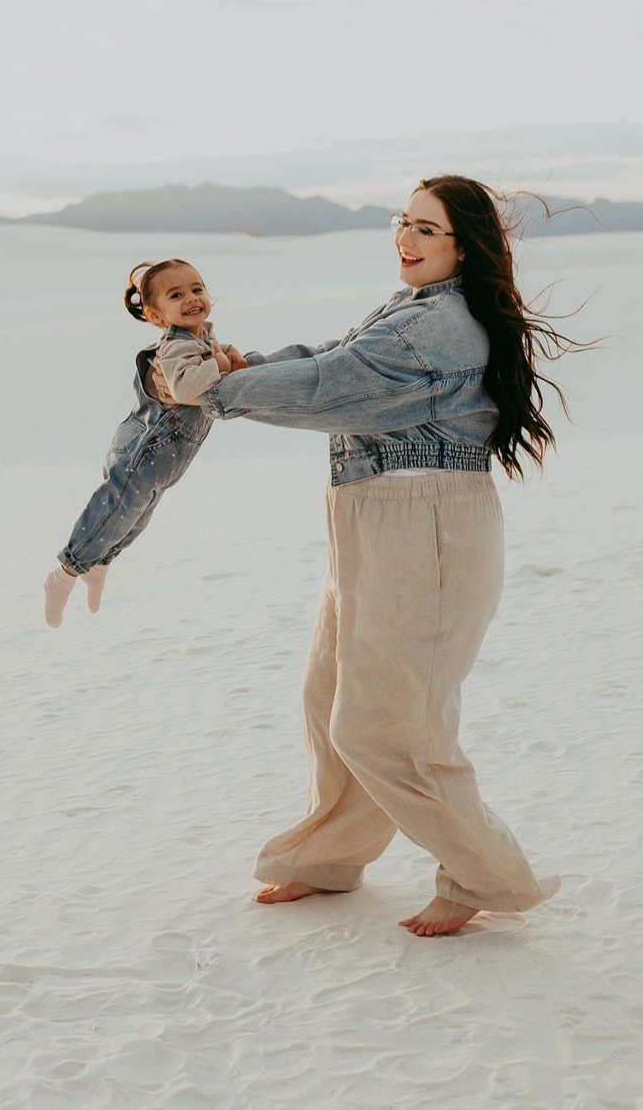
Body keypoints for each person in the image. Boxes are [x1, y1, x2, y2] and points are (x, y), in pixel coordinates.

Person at [157, 176, 578, 937]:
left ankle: (485, 874)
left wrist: (212, 387)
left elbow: (327, 384)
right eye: (402, 222)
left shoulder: (436, 328)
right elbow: (327, 353)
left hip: (427, 529)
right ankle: (325, 859)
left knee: (389, 724)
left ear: (463, 246)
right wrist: (235, 365)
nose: (405, 240)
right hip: (374, 517)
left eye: (425, 230)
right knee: (331, 700)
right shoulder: (413, 310)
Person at [43, 260, 246, 628]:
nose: (191, 299)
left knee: (135, 519)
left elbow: (218, 356)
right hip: (144, 452)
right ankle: (66, 572)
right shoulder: (173, 348)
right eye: (176, 295)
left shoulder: (204, 337)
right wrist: (219, 362)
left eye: (197, 289)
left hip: (166, 462)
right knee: (114, 511)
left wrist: (226, 355)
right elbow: (186, 387)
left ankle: (100, 564)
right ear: (155, 315)